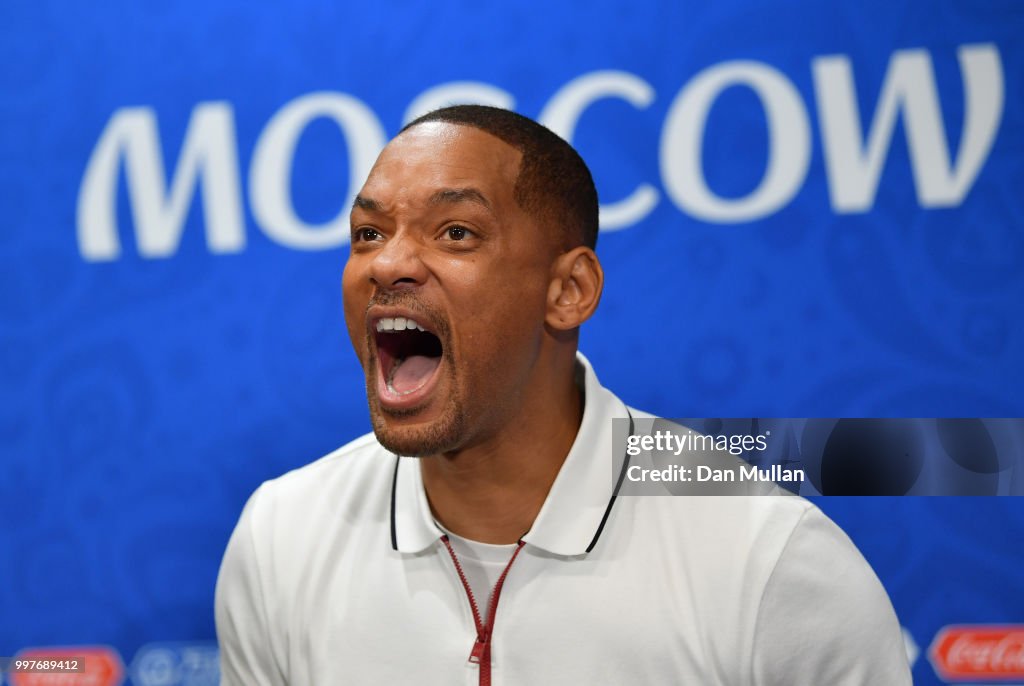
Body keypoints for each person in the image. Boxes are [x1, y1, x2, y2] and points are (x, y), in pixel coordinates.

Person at [215, 105, 913, 685]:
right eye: (367, 233)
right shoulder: (281, 539)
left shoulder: (768, 561)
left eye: (455, 232)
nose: (388, 262)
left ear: (568, 291)